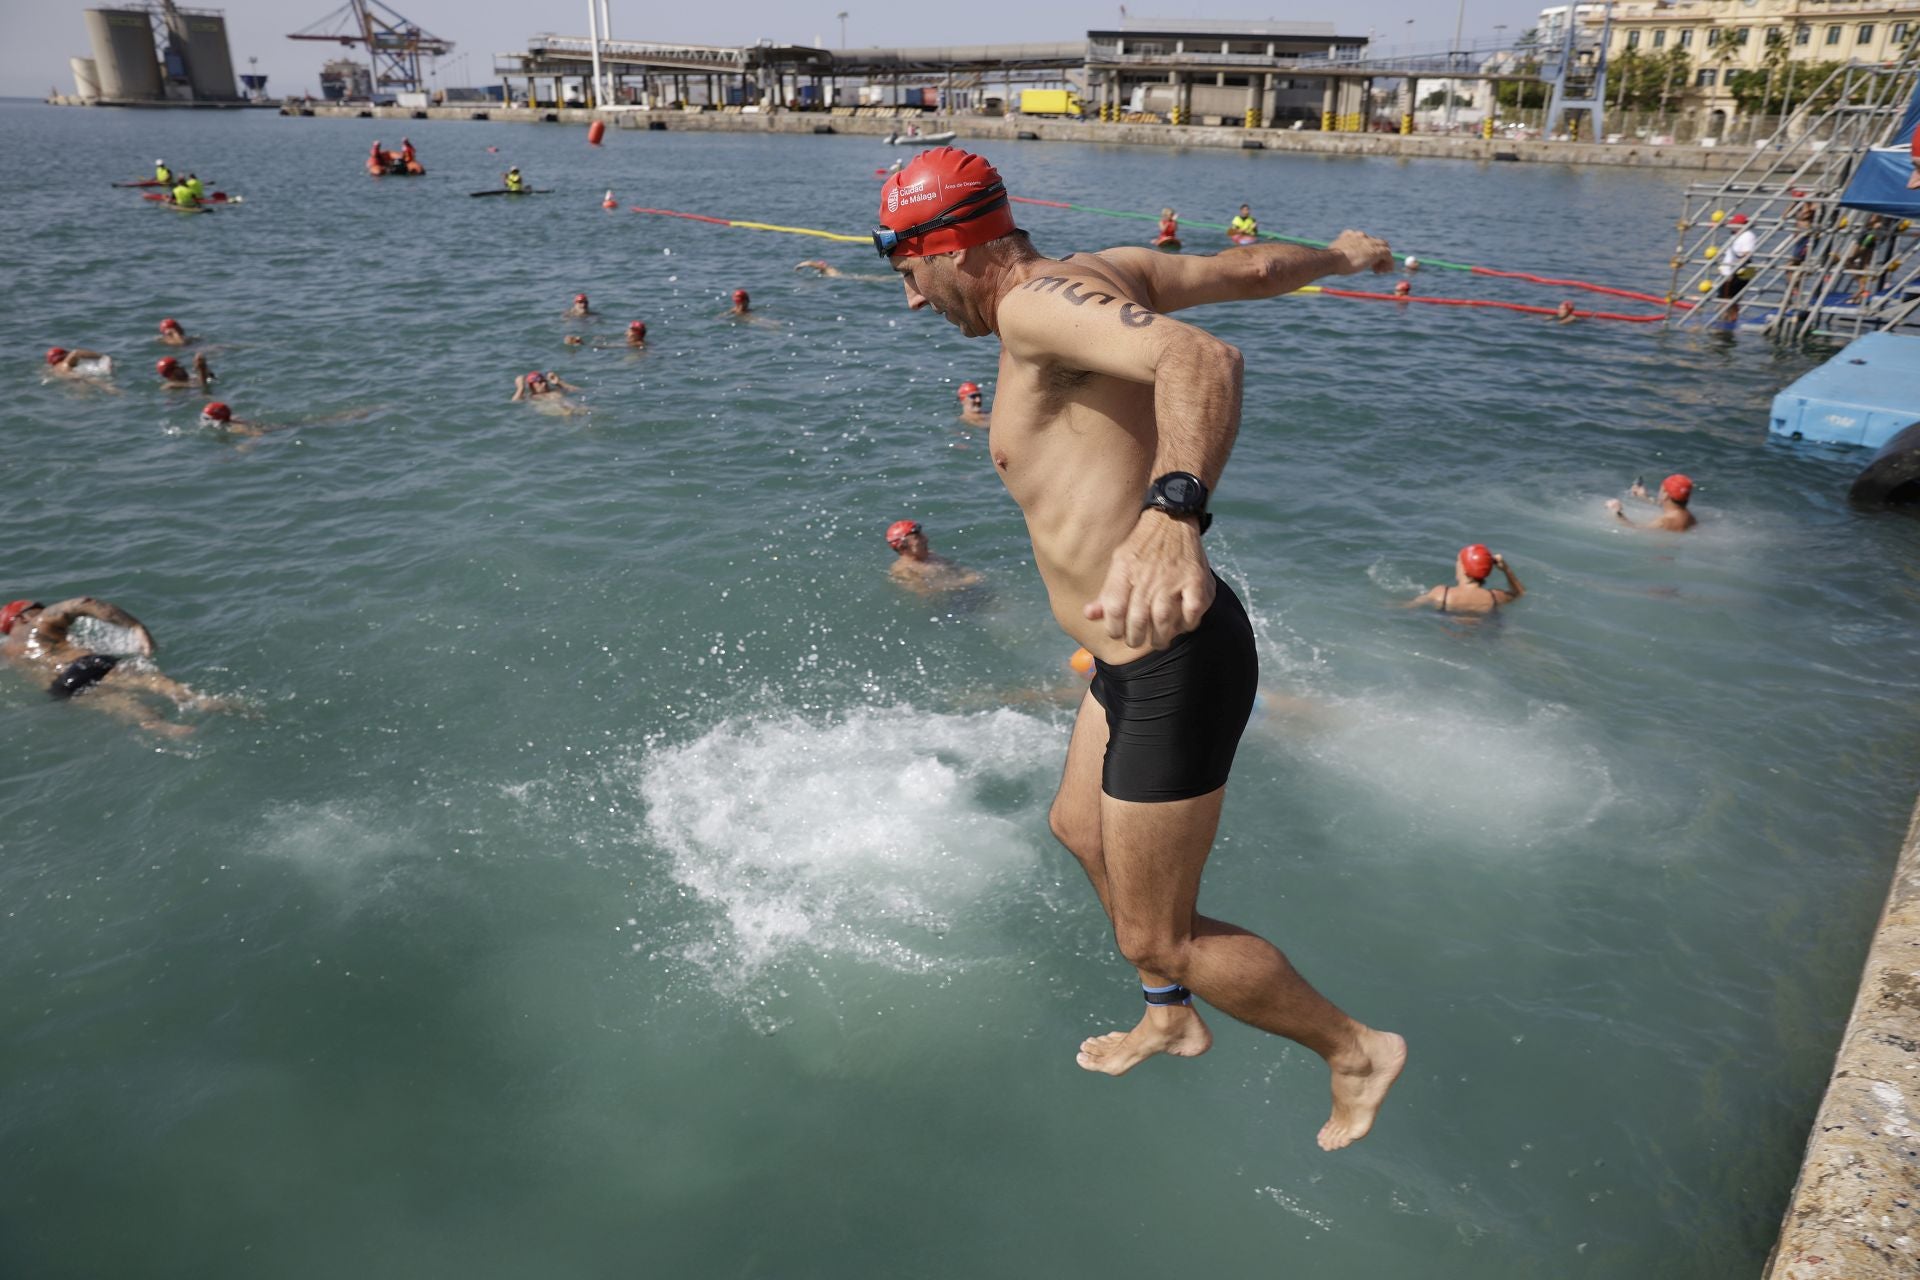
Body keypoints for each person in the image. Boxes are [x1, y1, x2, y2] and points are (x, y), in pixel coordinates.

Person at [876, 146, 1405, 1150]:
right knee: (1077, 825)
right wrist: (1337, 256)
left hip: (1175, 658)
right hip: (1128, 660)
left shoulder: (1036, 307)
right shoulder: (1105, 271)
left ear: (950, 249)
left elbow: (1203, 356)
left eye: (910, 276)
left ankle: (1354, 1048)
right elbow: (1245, 272)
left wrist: (1175, 512)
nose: (912, 304)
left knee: (1156, 927)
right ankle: (1169, 1012)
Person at [1, 597, 225, 736]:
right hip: (84, 664)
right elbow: (85, 603)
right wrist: (136, 627)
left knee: (117, 703)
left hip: (60, 689)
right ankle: (198, 700)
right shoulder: (40, 622)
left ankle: (155, 724)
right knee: (151, 681)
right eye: (37, 607)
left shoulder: (6, 652)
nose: (42, 609)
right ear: (21, 617)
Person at [1406, 544, 1523, 614]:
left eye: (1458, 561)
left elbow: (1410, 606)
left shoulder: (1442, 593)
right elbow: (1520, 593)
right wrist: (1506, 569)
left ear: (1464, 569)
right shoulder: (1495, 597)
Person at [886, 520, 983, 593]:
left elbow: (955, 567)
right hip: (950, 606)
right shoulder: (903, 570)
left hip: (967, 592)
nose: (926, 539)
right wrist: (964, 582)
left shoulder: (931, 555)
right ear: (902, 546)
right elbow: (925, 591)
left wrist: (969, 573)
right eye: (918, 538)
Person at [1608, 473, 1697, 531]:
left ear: (1665, 494)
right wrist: (1644, 497)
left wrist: (1617, 512)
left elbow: (1636, 529)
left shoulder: (1665, 521)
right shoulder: (1689, 517)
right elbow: (1670, 506)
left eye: (1661, 489)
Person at [1717, 213, 1758, 324]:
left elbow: (1746, 254)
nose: (1731, 227)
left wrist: (1733, 272)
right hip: (1730, 271)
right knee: (1724, 296)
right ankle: (1726, 317)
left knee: (1732, 297)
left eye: (1734, 225)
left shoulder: (1748, 236)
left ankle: (1732, 319)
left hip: (1742, 271)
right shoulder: (1735, 234)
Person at [44, 347, 111, 379]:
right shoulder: (65, 363)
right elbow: (76, 353)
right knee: (107, 387)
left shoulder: (54, 370)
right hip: (77, 376)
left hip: (70, 380)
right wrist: (103, 357)